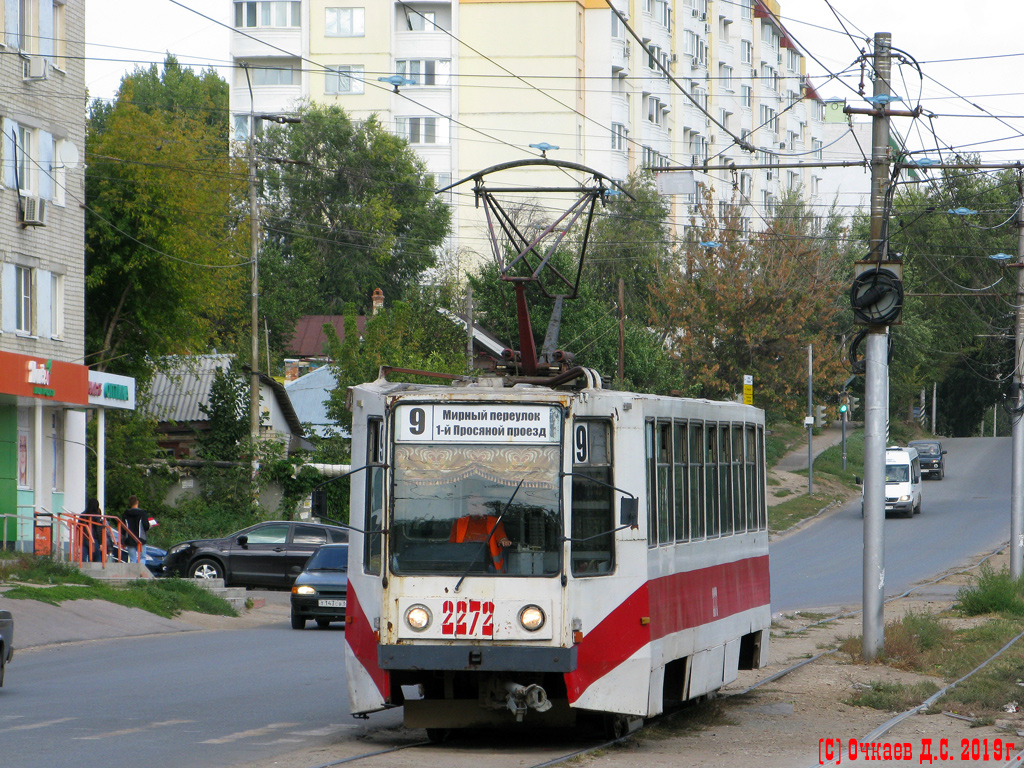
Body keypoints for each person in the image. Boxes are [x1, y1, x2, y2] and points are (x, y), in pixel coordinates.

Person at [449, 496, 512, 572]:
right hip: (463, 565)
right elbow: (451, 547)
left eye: (478, 504)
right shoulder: (459, 523)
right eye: (472, 504)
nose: (475, 507)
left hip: (488, 567)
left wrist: (504, 541)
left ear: (484, 506)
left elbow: (501, 536)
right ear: (467, 507)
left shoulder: (495, 522)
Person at [122, 495, 150, 565]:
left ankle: (133, 574)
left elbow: (123, 528)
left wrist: (123, 540)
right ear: (137, 502)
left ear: (129, 504)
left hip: (129, 538)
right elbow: (146, 526)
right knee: (142, 558)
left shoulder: (125, 514)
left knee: (132, 559)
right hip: (141, 539)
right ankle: (140, 573)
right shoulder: (142, 513)